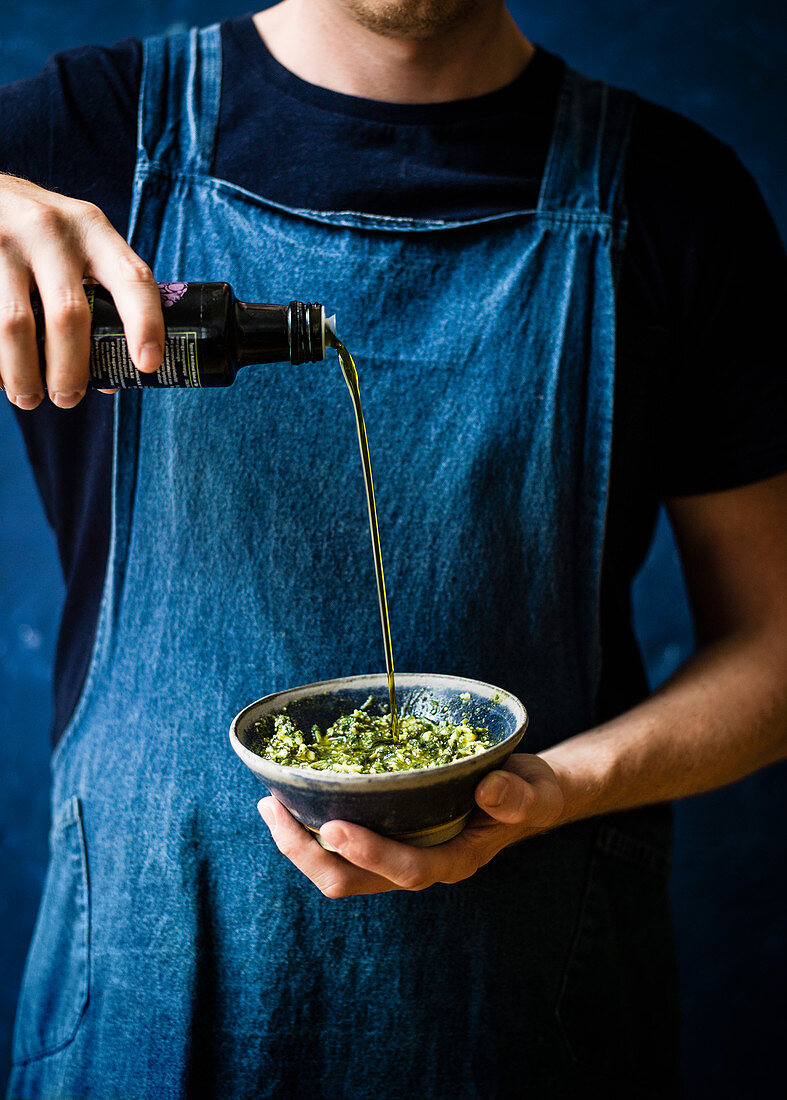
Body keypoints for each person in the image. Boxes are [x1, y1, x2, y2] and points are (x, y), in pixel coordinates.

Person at [2, 1, 785, 1097]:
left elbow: (774, 646)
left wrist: (552, 788)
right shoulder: (82, 134)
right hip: (141, 1032)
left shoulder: (672, 199)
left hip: (524, 1029)